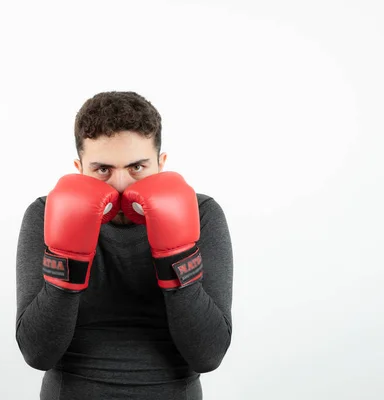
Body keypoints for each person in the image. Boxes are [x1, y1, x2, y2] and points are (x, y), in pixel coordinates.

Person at [15, 91, 233, 399]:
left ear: (161, 163)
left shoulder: (202, 215)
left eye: (137, 168)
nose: (120, 185)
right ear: (80, 168)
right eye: (102, 169)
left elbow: (209, 356)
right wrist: (67, 263)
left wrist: (177, 257)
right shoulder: (47, 213)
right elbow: (37, 354)